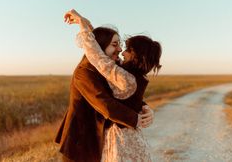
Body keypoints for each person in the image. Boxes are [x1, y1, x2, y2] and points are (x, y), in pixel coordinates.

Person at [64, 9, 162, 162]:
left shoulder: (119, 71)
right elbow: (106, 104)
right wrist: (137, 117)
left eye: (123, 46)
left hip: (108, 135)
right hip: (83, 138)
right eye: (115, 44)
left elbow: (96, 53)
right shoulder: (85, 72)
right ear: (101, 47)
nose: (121, 50)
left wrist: (144, 107)